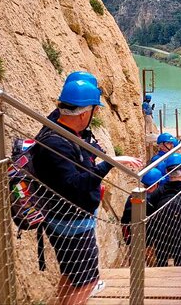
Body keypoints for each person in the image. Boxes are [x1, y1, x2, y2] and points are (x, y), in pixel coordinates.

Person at [33, 79, 142, 305]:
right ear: (84, 114)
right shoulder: (58, 143)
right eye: (93, 109)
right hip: (72, 224)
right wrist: (108, 163)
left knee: (72, 277)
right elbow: (76, 183)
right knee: (88, 282)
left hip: (63, 220)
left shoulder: (59, 128)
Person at [148, 153, 181, 267]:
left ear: (166, 171)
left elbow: (149, 213)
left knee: (162, 263)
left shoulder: (158, 192)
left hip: (161, 235)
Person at [120, 168, 163, 245]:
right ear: (156, 184)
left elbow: (125, 220)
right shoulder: (158, 198)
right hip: (153, 239)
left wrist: (127, 239)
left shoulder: (133, 196)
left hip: (135, 238)